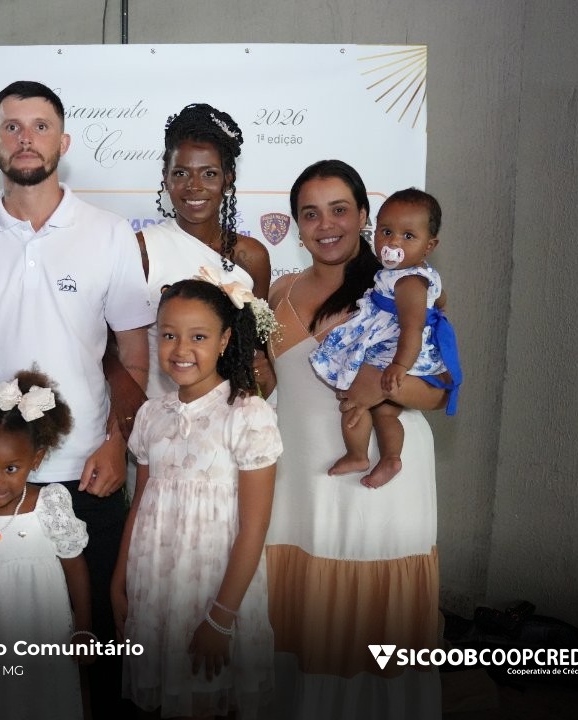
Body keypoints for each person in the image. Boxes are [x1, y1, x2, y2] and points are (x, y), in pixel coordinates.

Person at [0, 80, 153, 719]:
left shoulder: (109, 234)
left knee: (94, 638)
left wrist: (117, 443)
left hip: (87, 471)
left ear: (64, 140)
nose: (26, 138)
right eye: (12, 126)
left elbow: (133, 356)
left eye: (40, 126)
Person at [262, 160, 447, 719]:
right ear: (296, 225)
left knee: (369, 628)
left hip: (377, 481)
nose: (326, 225)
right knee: (301, 624)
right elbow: (270, 381)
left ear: (365, 215)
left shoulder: (399, 287)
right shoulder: (278, 290)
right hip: (297, 484)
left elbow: (438, 390)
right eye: (310, 213)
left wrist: (381, 386)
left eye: (340, 210)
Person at [113, 277, 283, 719]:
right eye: (169, 335)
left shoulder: (247, 414)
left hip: (215, 589)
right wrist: (119, 580)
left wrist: (221, 617)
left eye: (199, 337)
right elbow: (141, 502)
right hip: (154, 581)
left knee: (209, 697)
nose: (181, 349)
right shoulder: (151, 414)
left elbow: (254, 526)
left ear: (225, 340)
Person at [0, 369, 92, 720]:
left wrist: (84, 628)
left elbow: (75, 567)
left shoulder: (50, 504)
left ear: (35, 460)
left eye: (11, 468)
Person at [309, 188, 462, 488]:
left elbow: (412, 329)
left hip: (397, 352)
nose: (393, 243)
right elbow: (440, 298)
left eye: (408, 236)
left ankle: (357, 454)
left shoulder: (410, 282)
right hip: (393, 348)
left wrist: (399, 366)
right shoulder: (411, 274)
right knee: (385, 412)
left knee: (354, 396)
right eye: (386, 232)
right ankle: (391, 458)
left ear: (429, 245)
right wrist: (436, 304)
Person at [140, 102, 271, 400]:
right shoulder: (142, 248)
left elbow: (256, 348)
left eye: (209, 173)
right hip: (157, 408)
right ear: (165, 176)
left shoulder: (252, 257)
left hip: (227, 413)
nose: (194, 186)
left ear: (228, 178)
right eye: (181, 173)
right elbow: (118, 343)